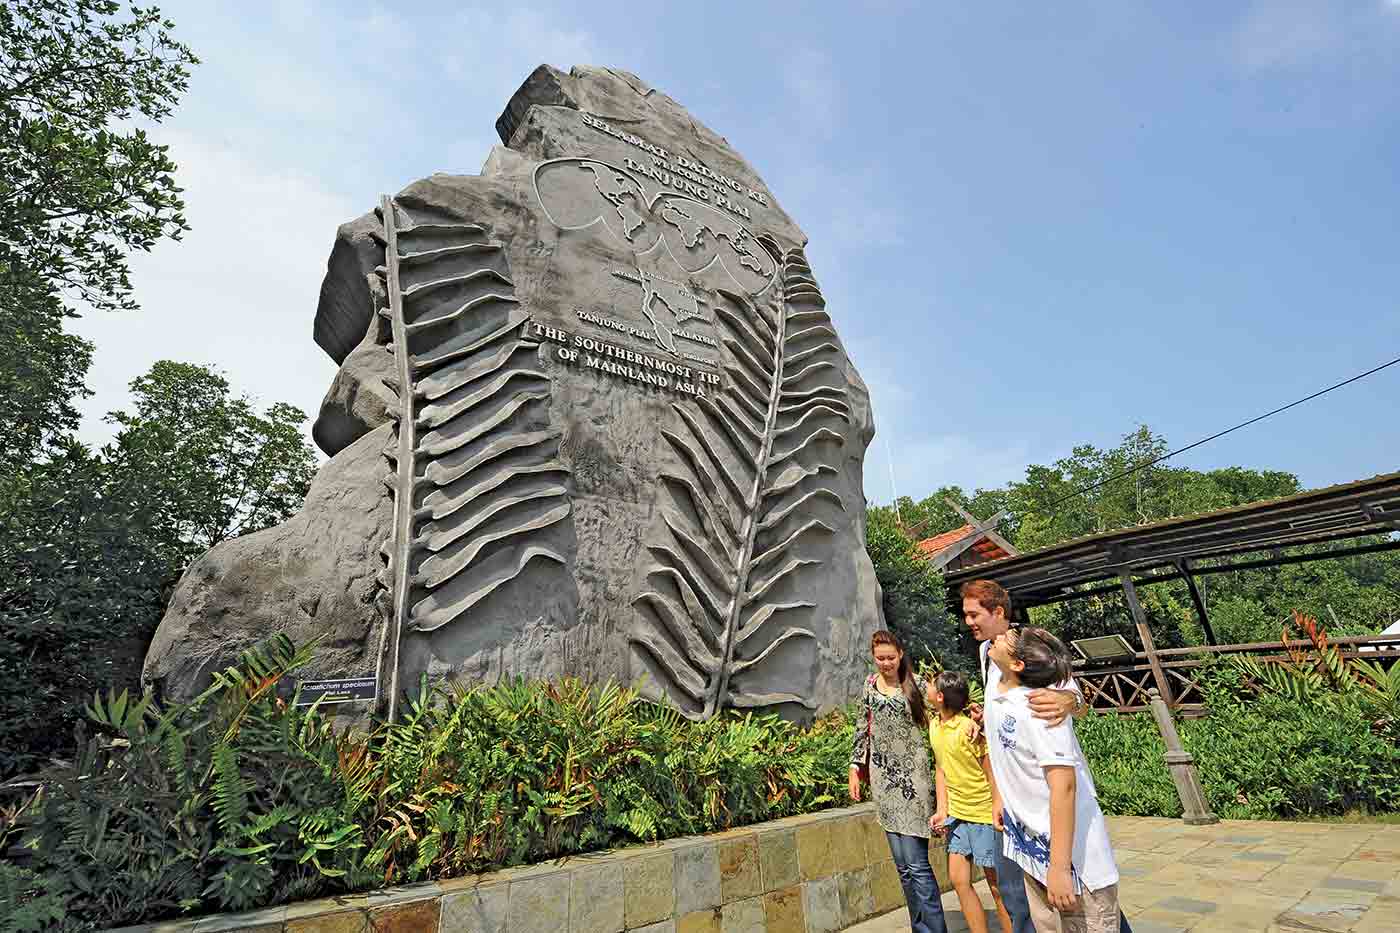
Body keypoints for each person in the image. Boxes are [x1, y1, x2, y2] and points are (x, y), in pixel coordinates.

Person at [960, 579, 1133, 933]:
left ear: (998, 612)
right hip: (1017, 811)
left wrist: (1067, 701)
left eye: (974, 614)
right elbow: (1005, 719)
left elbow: (1075, 695)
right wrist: (988, 723)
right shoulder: (988, 656)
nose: (968, 623)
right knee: (1026, 894)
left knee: (1083, 900)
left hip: (1051, 811)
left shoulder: (1031, 652)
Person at [984, 626, 1121, 933]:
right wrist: (999, 796)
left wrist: (1059, 868)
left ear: (1019, 664)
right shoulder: (1000, 685)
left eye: (1011, 635)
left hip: (1074, 867)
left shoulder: (1043, 708)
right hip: (1035, 857)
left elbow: (1064, 786)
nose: (1003, 634)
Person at [850, 630, 949, 933]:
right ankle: (920, 928)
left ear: (901, 654)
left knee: (917, 865)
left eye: (890, 657)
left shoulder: (918, 685)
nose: (885, 663)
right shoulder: (869, 686)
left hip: (915, 784)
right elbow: (861, 728)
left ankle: (935, 929)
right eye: (880, 658)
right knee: (903, 868)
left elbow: (946, 716)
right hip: (884, 783)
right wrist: (855, 768)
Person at [927, 671, 1012, 933]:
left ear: (940, 697)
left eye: (931, 686)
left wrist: (997, 807)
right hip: (958, 816)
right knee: (959, 880)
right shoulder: (934, 726)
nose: (927, 689)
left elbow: (991, 771)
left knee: (997, 886)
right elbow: (941, 769)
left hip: (983, 814)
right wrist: (942, 809)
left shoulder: (968, 730)